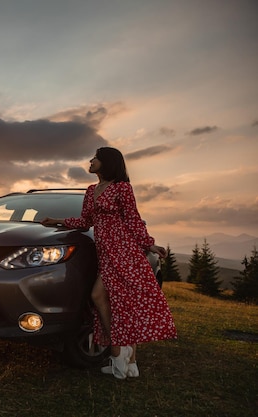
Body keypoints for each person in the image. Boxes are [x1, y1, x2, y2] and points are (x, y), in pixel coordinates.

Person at [41, 147, 177, 379]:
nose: (91, 160)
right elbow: (85, 222)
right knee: (110, 300)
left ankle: (118, 352)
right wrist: (58, 220)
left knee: (110, 299)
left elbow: (133, 219)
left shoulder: (122, 188)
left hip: (124, 251)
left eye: (95, 157)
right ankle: (129, 361)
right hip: (106, 252)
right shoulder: (92, 190)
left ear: (107, 162)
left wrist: (149, 244)